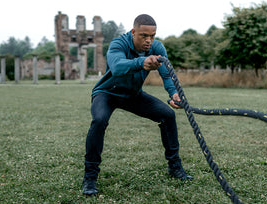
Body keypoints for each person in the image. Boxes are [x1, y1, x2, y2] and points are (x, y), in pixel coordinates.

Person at [82, 14, 193, 196]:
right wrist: (142, 62)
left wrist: (173, 93)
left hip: (133, 95)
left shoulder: (157, 48)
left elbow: (166, 75)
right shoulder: (118, 44)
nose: (149, 40)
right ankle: (90, 178)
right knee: (99, 120)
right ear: (133, 32)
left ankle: (175, 167)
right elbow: (117, 67)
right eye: (143, 35)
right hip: (107, 93)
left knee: (168, 115)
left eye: (152, 36)